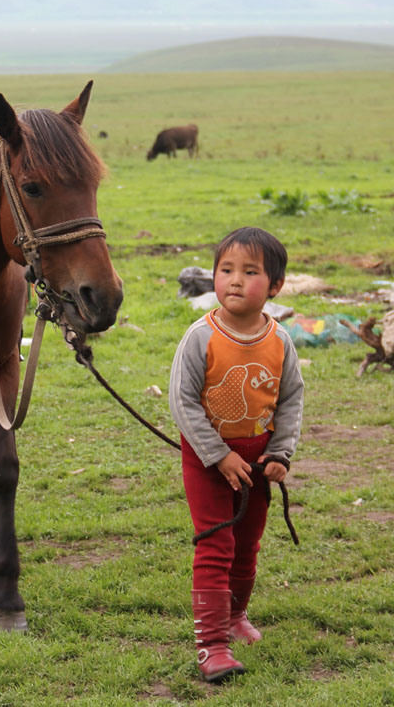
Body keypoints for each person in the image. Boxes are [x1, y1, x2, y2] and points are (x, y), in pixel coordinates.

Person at [169, 227, 304, 683]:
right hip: (209, 460)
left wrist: (281, 454)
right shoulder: (199, 338)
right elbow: (182, 402)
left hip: (257, 462)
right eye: (226, 270)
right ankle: (211, 645)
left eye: (250, 272)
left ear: (276, 286)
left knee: (247, 545)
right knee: (216, 544)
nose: (234, 280)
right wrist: (218, 455)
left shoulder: (281, 340)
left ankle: (234, 615)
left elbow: (290, 401)